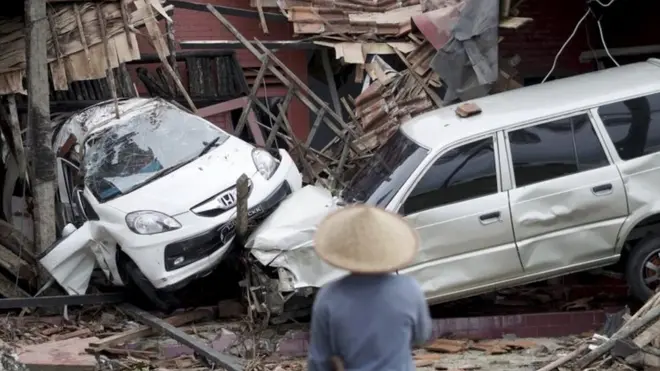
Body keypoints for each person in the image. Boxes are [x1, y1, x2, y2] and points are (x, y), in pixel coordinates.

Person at [307, 205, 433, 371]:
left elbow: (319, 361)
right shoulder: (410, 289)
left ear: (345, 250)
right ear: (388, 248)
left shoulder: (329, 297)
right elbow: (421, 336)